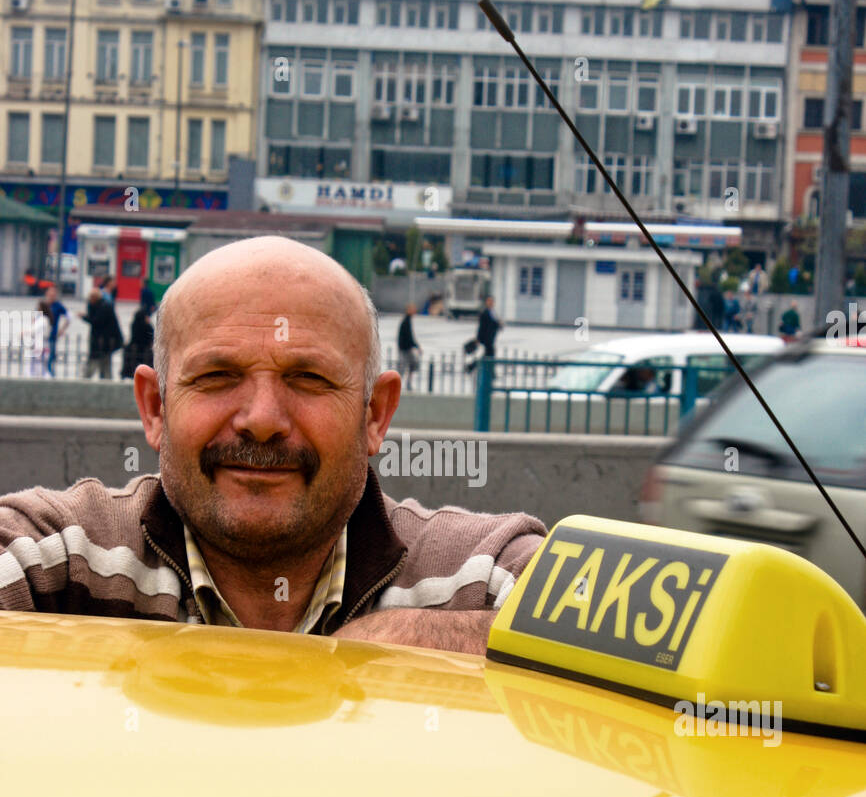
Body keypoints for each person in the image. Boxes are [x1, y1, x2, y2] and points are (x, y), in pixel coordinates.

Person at [0, 236, 546, 655]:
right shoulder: (59, 558)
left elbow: (624, 620)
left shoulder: (476, 575)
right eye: (216, 376)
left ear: (375, 414)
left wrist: (408, 638)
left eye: (308, 379)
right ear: (156, 407)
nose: (261, 421)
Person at [82, 288, 123, 379]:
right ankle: (103, 379)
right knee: (103, 364)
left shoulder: (104, 307)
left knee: (99, 363)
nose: (89, 300)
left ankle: (87, 380)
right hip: (102, 342)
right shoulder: (99, 305)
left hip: (104, 342)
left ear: (95, 298)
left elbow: (96, 321)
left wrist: (84, 317)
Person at [122, 299, 155, 379]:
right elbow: (152, 336)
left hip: (134, 350)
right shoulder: (147, 326)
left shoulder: (134, 324)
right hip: (145, 352)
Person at [44, 283, 69, 378]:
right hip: (42, 334)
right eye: (50, 292)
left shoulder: (58, 306)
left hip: (52, 334)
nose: (52, 295)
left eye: (54, 293)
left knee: (50, 356)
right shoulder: (43, 304)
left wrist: (62, 329)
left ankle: (50, 373)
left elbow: (69, 317)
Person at [396, 303, 421, 390]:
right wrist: (416, 346)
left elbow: (410, 336)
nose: (415, 311)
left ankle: (407, 383)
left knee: (412, 365)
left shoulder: (408, 320)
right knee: (403, 367)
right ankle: (398, 385)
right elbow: (409, 336)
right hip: (405, 349)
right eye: (413, 309)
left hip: (406, 348)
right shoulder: (406, 321)